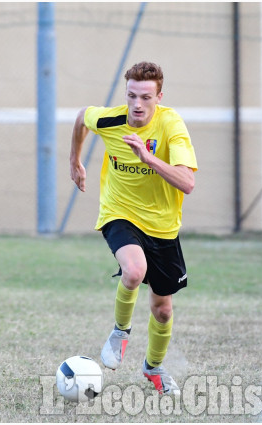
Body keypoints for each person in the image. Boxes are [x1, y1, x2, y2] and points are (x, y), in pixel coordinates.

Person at [69, 61, 197, 395]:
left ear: (159, 97)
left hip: (163, 227)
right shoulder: (111, 119)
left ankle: (153, 367)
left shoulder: (171, 125)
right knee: (134, 270)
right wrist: (75, 160)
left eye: (145, 97)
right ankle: (120, 332)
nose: (137, 104)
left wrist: (148, 158)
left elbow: (187, 182)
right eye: (131, 96)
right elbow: (82, 116)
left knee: (163, 310)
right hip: (119, 213)